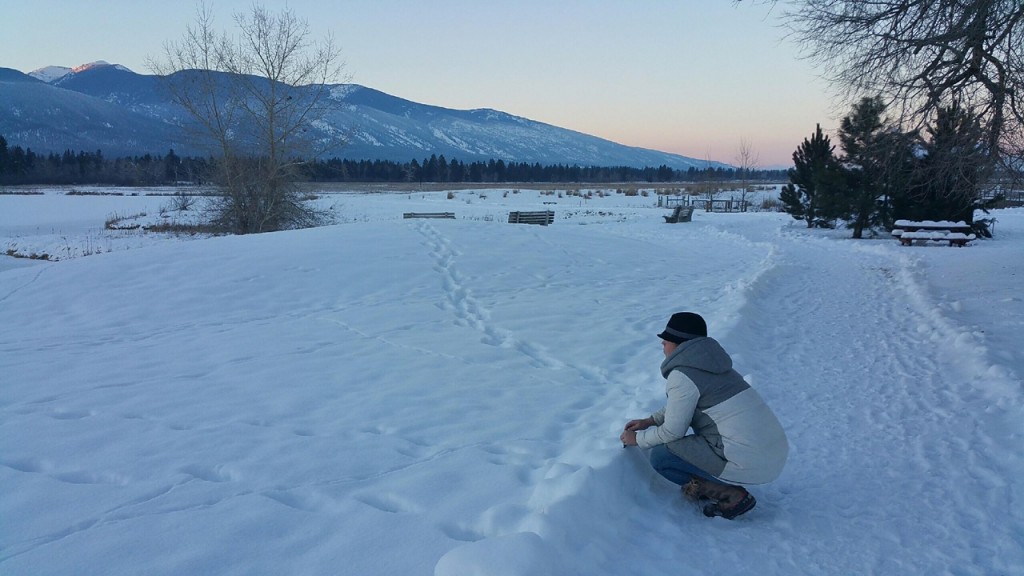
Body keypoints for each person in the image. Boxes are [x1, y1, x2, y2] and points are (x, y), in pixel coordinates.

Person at [620, 312, 788, 519]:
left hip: (750, 459)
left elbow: (673, 431)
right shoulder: (714, 366)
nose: (663, 342)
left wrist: (636, 439)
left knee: (662, 455)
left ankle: (731, 495)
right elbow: (684, 404)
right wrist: (651, 421)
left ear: (681, 344)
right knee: (674, 446)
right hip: (771, 454)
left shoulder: (683, 375)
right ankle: (712, 483)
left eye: (667, 338)